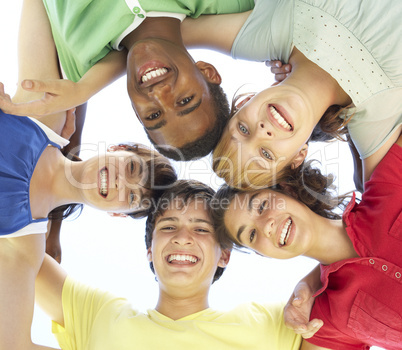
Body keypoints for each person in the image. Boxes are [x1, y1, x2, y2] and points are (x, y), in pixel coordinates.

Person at [0, 1, 177, 348]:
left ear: (116, 214)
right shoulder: (45, 115)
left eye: (132, 197)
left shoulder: (25, 246)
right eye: (131, 168)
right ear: (116, 148)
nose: (119, 182)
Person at [35, 179, 324, 350]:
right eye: (169, 227)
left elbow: (353, 270)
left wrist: (309, 282)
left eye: (200, 229)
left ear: (224, 255)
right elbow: (17, 253)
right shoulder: (98, 314)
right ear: (150, 250)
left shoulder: (274, 324)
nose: (183, 238)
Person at [181, 0, 402, 190]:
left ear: (244, 102)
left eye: (243, 129)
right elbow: (380, 205)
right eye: (266, 155)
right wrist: (360, 173)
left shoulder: (263, 34)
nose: (262, 132)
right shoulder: (377, 122)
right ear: (298, 156)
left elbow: (162, 36)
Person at [212, 129, 402, 349]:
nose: (266, 226)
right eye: (252, 235)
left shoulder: (387, 186)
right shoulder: (324, 322)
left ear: (288, 190)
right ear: (262, 254)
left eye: (262, 205)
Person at [0, 0, 255, 161]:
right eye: (185, 100)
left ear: (134, 110)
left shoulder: (79, 57)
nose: (159, 94)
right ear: (208, 72)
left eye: (153, 115)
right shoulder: (230, 4)